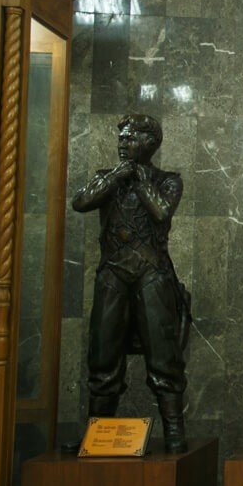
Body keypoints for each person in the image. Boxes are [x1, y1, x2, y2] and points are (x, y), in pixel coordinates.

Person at [71, 114, 190, 453]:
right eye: (121, 139)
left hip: (151, 273)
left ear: (149, 143)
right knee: (104, 351)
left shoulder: (167, 180)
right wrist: (113, 179)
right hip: (113, 274)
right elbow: (80, 202)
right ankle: (98, 432)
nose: (123, 144)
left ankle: (173, 429)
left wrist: (138, 180)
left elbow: (162, 212)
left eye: (130, 139)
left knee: (163, 352)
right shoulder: (105, 178)